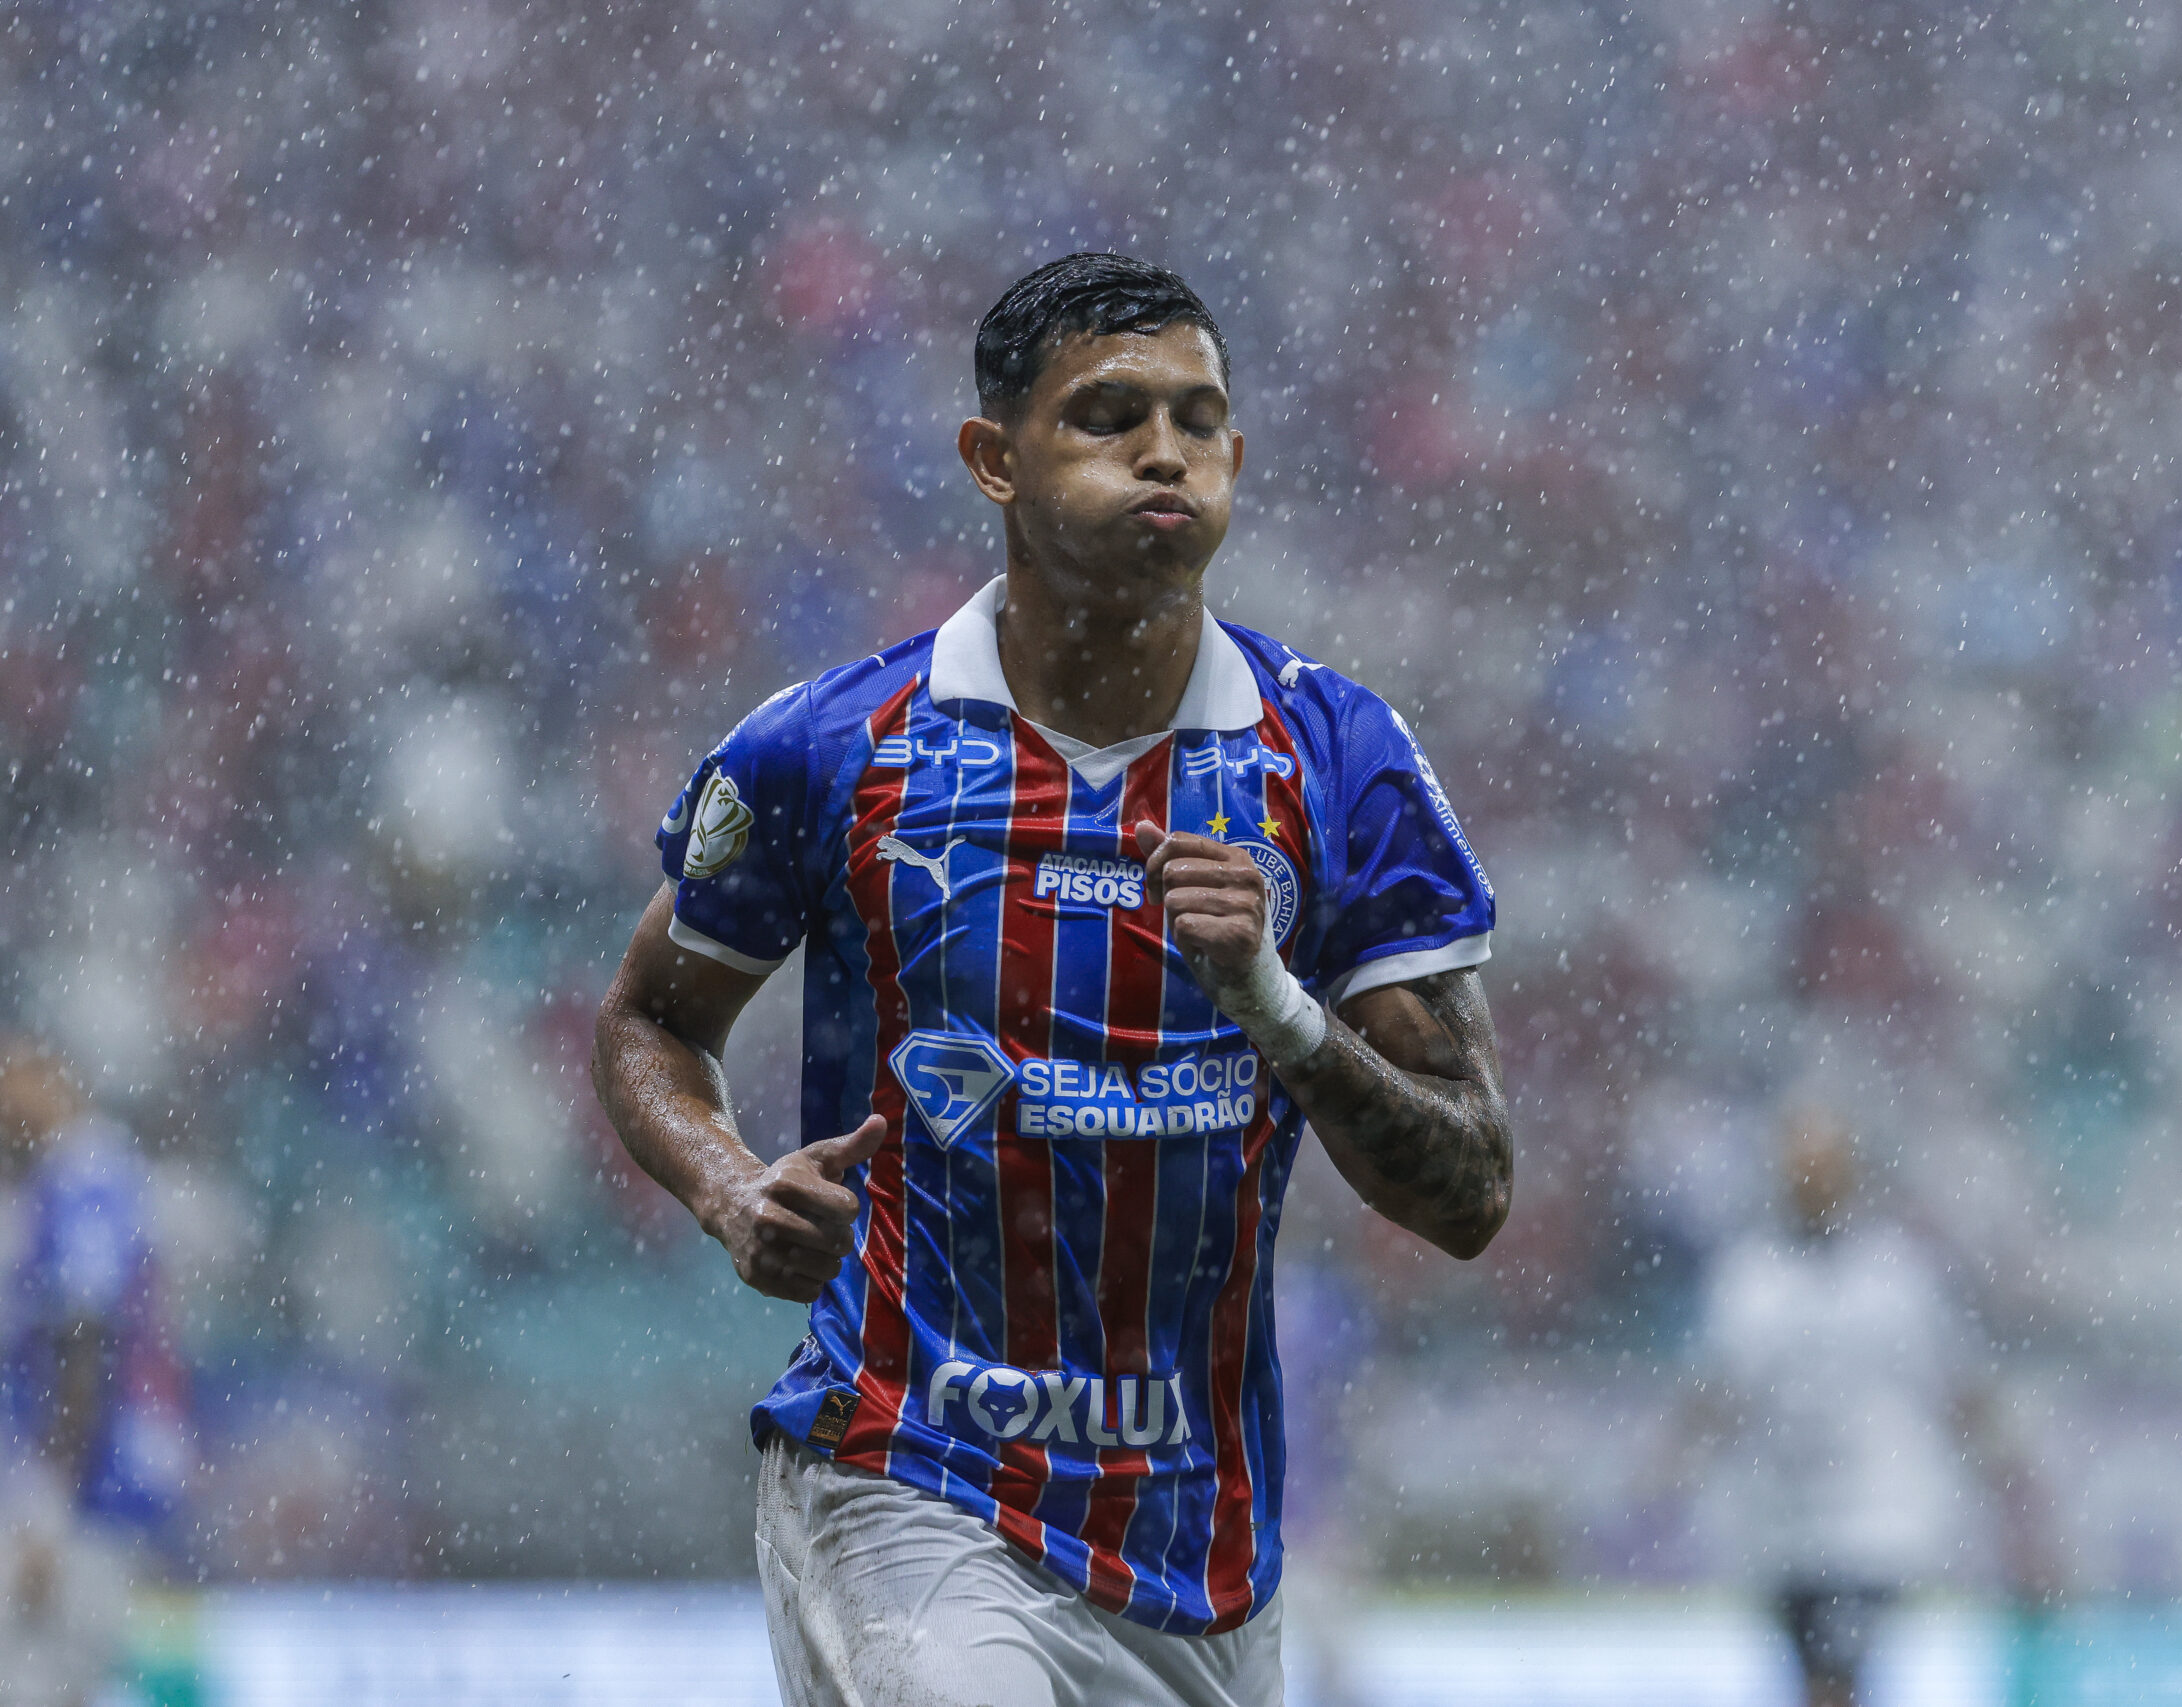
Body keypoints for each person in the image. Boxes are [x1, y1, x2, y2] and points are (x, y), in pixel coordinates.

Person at [591, 252, 1512, 1707]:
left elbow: (1469, 1188)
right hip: (905, 1466)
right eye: (1109, 413)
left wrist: (1283, 1010)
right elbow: (650, 1019)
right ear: (992, 459)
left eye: (1199, 419)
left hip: (1200, 1545)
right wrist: (727, 1183)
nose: (1166, 450)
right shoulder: (838, 746)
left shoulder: (1334, 760)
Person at [1699, 1102, 2046, 1707]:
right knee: (1818, 1679)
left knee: (1833, 1680)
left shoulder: (1898, 1275)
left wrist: (2013, 1490)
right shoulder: (1748, 1280)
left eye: (1823, 1168)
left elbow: (1962, 1388)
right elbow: (1715, 1396)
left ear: (1850, 1174)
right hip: (1783, 1526)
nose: (1810, 1183)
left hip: (1874, 1521)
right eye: (1800, 1169)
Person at [0, 1041, 189, 1707]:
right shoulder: (73, 1177)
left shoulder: (86, 1178)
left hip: (91, 1489)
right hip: (94, 1481)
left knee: (42, 1682)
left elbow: (86, 1340)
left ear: (52, 1076)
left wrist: (49, 1503)